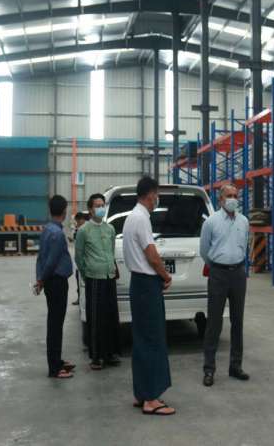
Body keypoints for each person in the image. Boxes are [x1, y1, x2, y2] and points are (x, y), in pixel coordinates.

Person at [123, 176, 175, 416]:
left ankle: (142, 392)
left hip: (139, 283)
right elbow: (152, 255)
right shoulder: (141, 218)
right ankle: (151, 399)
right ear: (150, 194)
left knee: (142, 339)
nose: (157, 199)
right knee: (153, 340)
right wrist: (165, 276)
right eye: (157, 194)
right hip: (147, 285)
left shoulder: (132, 216)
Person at [199, 183, 250, 387]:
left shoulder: (244, 221)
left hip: (238, 273)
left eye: (235, 195)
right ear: (220, 199)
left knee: (238, 321)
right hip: (218, 273)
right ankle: (209, 369)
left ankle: (235, 366)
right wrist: (217, 266)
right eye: (229, 195)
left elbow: (244, 245)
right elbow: (204, 250)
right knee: (214, 322)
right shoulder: (211, 222)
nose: (233, 199)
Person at [75, 193, 121, 370]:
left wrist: (111, 268)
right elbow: (79, 257)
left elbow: (111, 251)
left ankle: (110, 353)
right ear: (90, 209)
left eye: (103, 205)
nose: (101, 208)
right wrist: (87, 273)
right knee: (96, 318)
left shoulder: (110, 229)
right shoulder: (83, 231)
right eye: (97, 205)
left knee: (110, 315)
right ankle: (96, 356)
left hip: (109, 276)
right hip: (94, 278)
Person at [35, 195, 76, 379]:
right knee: (55, 325)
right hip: (57, 282)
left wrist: (40, 278)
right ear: (64, 211)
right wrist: (42, 280)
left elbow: (41, 258)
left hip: (50, 281)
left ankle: (57, 361)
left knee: (55, 323)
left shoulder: (47, 230)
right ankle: (54, 368)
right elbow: (51, 262)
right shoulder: (58, 234)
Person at [72, 211, 89, 306]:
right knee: (79, 282)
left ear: (82, 220)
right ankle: (80, 298)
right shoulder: (78, 229)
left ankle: (83, 299)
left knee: (83, 283)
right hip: (79, 262)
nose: (77, 223)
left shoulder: (85, 229)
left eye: (78, 221)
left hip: (84, 262)